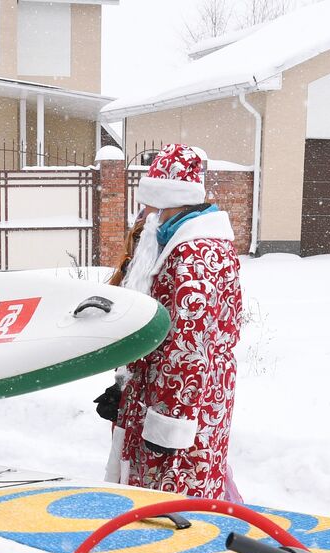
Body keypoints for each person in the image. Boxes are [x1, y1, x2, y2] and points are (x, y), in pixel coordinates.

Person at [100, 144, 243, 499]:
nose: (143, 211)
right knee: (159, 493)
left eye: (148, 203)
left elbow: (187, 352)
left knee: (173, 500)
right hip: (165, 398)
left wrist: (169, 425)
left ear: (167, 201)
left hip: (183, 410)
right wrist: (125, 389)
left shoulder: (195, 256)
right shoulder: (175, 242)